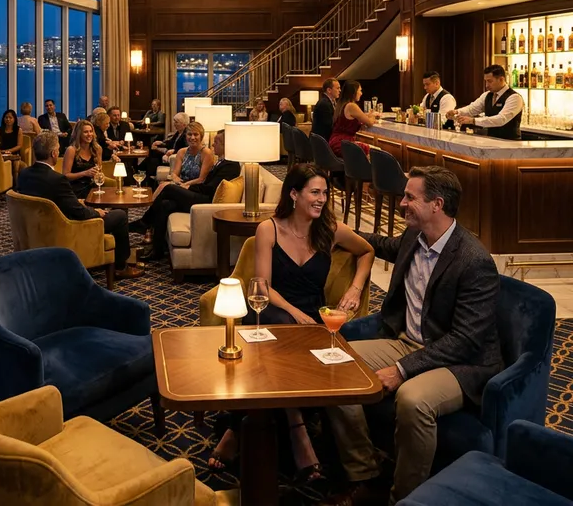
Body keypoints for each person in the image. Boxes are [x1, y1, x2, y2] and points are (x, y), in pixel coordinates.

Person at [326, 166, 502, 504]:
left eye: (410, 197)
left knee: (412, 399)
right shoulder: (414, 236)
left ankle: (405, 498)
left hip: (461, 362)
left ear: (437, 204)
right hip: (406, 342)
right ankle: (364, 472)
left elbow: (465, 340)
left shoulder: (473, 260)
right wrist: (339, 232)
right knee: (336, 365)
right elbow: (383, 245)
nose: (402, 202)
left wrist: (402, 370)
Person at [209, 163, 374, 479]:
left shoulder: (330, 229)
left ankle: (235, 428)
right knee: (274, 321)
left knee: (278, 340)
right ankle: (297, 427)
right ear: (294, 194)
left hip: (312, 319)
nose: (321, 199)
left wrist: (355, 286)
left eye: (325, 193)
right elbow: (263, 286)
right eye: (315, 192)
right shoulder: (268, 229)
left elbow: (367, 251)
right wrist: (293, 313)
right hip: (273, 310)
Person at [17, 131, 142, 280]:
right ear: (54, 153)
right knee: (119, 215)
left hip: (33, 228)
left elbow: (52, 201)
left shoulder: (24, 174)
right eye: (57, 150)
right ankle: (120, 267)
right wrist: (96, 212)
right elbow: (79, 213)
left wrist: (78, 203)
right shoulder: (57, 180)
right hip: (64, 229)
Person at [131, 130, 242, 259]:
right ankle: (157, 250)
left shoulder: (231, 165)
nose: (213, 145)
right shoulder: (222, 161)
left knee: (169, 188)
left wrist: (189, 187)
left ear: (225, 145)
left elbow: (210, 188)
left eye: (216, 142)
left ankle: (144, 222)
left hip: (206, 202)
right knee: (165, 204)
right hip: (202, 195)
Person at [447, 64, 524, 140]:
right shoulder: (487, 95)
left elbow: (501, 119)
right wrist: (457, 112)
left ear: (501, 79)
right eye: (486, 81)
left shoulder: (514, 97)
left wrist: (473, 121)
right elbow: (472, 109)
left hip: (510, 143)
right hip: (491, 140)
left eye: (490, 81)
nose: (487, 85)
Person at [152, 120, 214, 204]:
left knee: (164, 187)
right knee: (164, 195)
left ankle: (149, 209)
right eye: (189, 134)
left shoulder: (206, 153)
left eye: (196, 134)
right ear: (185, 136)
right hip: (181, 185)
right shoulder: (181, 152)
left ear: (201, 136)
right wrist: (176, 180)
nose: (192, 137)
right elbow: (174, 173)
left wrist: (185, 184)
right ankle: (151, 208)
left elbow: (201, 179)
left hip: (195, 188)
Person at [329, 80, 380, 157]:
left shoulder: (341, 104)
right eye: (360, 90)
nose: (361, 93)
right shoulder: (351, 106)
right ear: (354, 92)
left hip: (336, 142)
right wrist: (373, 115)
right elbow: (369, 123)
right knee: (377, 151)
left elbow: (357, 117)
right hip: (343, 144)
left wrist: (368, 115)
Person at [62, 119, 102, 200]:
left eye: (91, 131)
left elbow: (100, 171)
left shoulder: (97, 149)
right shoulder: (71, 150)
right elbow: (66, 175)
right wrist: (85, 173)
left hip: (93, 186)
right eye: (85, 132)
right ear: (79, 134)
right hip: (76, 188)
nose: (89, 134)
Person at [143, 111, 189, 180]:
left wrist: (174, 151)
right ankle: (146, 173)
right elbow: (170, 142)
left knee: (153, 158)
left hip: (176, 157)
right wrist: (161, 143)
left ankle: (146, 175)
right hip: (169, 152)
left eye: (176, 122)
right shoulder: (178, 132)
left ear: (184, 124)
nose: (174, 124)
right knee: (152, 151)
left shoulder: (186, 134)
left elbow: (186, 148)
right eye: (174, 121)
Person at [0, 109, 24, 177]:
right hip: (2, 154)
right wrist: (2, 151)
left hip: (14, 154)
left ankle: (15, 182)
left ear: (14, 119)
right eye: (6, 117)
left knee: (16, 165)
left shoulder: (18, 130)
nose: (8, 119)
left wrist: (9, 151)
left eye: (10, 118)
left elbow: (19, 145)